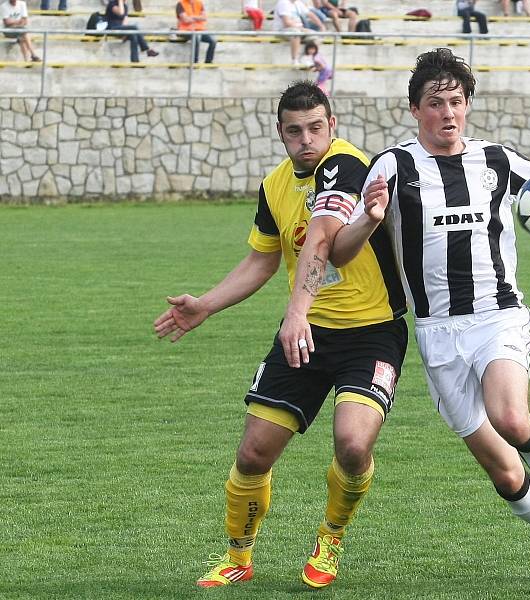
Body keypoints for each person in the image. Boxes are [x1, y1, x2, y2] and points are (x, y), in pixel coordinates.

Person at [291, 48, 530, 586]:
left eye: (456, 101)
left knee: (512, 418)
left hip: (498, 316)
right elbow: (340, 252)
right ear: (414, 109)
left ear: (468, 105)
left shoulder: (497, 160)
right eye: (436, 103)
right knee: (502, 470)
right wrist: (372, 217)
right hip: (437, 333)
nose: (448, 113)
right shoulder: (393, 166)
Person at [154, 81, 408, 590]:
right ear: (280, 133)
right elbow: (261, 260)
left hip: (372, 332)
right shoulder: (275, 185)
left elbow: (322, 237)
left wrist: (297, 313)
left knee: (353, 445)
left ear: (332, 126)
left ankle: (330, 538)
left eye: (316, 127)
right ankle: (238, 556)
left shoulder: (346, 165)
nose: (306, 140)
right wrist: (205, 304)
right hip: (307, 333)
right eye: (295, 131)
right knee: (252, 454)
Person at [272, 0, 316, 66]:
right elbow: (286, 23)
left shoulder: (298, 3)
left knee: (316, 35)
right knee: (296, 32)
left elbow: (310, 14)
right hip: (281, 30)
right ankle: (294, 60)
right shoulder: (283, 2)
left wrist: (321, 26)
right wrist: (302, 29)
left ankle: (306, 58)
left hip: (298, 29)